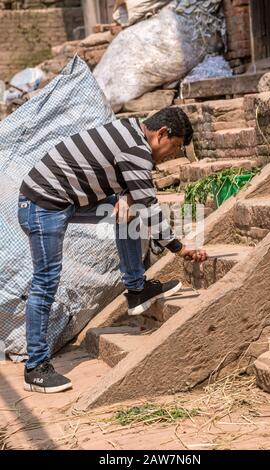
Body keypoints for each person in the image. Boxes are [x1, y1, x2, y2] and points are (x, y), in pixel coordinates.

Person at [18, 106, 207, 394]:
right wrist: (180, 249)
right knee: (46, 282)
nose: (171, 154)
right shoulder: (136, 149)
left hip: (66, 199)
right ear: (162, 134)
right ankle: (35, 367)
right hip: (42, 205)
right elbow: (150, 209)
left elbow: (128, 188)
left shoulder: (131, 132)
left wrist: (126, 195)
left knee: (127, 210)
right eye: (175, 146)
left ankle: (137, 289)